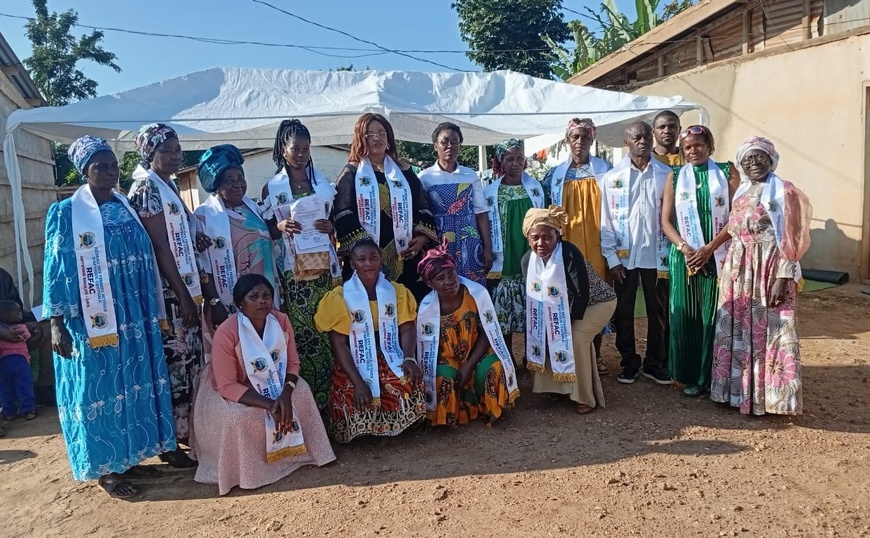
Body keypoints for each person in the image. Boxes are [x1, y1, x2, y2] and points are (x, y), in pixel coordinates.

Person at [44, 136, 176, 498]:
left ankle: (129, 457)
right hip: (90, 319)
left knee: (131, 385)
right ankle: (107, 471)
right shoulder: (67, 212)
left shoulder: (125, 206)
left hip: (133, 314)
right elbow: (55, 269)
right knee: (99, 390)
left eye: (113, 165)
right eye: (100, 165)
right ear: (83, 171)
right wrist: (56, 322)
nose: (109, 171)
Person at [192, 274, 335, 495]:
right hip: (232, 387)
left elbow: (293, 364)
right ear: (240, 303)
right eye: (254, 296)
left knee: (302, 392)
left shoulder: (282, 321)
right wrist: (271, 405)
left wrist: (285, 396)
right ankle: (249, 472)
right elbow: (227, 385)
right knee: (238, 417)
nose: (262, 301)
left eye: (267, 295)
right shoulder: (228, 332)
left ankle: (301, 455)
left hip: (277, 381)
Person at [128, 123, 215, 468]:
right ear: (150, 154)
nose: (175, 156)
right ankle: (167, 442)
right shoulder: (146, 188)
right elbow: (160, 247)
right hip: (169, 297)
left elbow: (178, 235)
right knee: (172, 369)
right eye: (167, 151)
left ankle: (186, 434)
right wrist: (181, 297)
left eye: (178, 150)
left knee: (188, 366)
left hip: (184, 291)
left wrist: (197, 238)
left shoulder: (169, 185)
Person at [711, 137, 812, 415]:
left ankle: (772, 399)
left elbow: (793, 236)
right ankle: (739, 394)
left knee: (773, 331)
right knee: (739, 329)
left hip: (770, 268)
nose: (754, 163)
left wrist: (784, 275)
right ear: (741, 164)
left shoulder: (784, 192)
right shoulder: (742, 192)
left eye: (759, 157)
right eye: (748, 159)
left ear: (771, 159)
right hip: (739, 270)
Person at [262, 119, 341, 412]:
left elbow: (334, 224)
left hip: (324, 269)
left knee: (330, 327)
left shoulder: (322, 184)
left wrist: (329, 225)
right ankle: (310, 407)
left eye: (306, 149)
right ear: (283, 149)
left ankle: (334, 403)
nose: (301, 154)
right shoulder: (272, 188)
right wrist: (280, 224)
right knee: (303, 333)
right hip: (295, 273)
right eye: (296, 148)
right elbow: (268, 230)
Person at [314, 239, 425, 443]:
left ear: (381, 259)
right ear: (352, 263)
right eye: (361, 259)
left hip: (388, 351)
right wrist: (357, 382)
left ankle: (396, 428)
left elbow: (407, 327)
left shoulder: (397, 291)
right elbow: (338, 343)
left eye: (373, 257)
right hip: (356, 355)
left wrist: (409, 357)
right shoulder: (340, 297)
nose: (368, 263)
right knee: (355, 390)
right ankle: (364, 432)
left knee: (405, 378)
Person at [661, 125, 740, 396]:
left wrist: (710, 248)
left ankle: (712, 376)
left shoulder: (727, 173)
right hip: (686, 258)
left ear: (709, 146)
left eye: (698, 145)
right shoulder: (674, 176)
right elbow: (665, 221)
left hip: (717, 255)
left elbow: (736, 217)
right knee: (687, 317)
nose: (693, 151)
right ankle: (687, 374)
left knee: (714, 315)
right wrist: (684, 248)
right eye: (687, 147)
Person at [332, 113, 438, 301]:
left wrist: (421, 237)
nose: (376, 138)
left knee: (407, 304)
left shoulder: (403, 170)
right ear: (360, 138)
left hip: (405, 255)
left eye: (381, 133)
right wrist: (366, 246)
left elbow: (423, 206)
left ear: (388, 137)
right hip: (367, 257)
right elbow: (342, 213)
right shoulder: (352, 172)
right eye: (370, 134)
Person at [520, 206, 615, 414]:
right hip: (559, 307)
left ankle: (584, 396)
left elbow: (581, 294)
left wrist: (562, 326)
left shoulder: (570, 254)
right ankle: (558, 388)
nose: (541, 243)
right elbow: (534, 299)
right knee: (545, 334)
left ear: (558, 236)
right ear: (528, 237)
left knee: (574, 338)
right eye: (535, 237)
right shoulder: (528, 261)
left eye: (548, 237)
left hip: (596, 303)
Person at [600, 121, 673, 386]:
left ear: (652, 138)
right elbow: (606, 221)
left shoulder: (666, 175)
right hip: (624, 259)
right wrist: (611, 259)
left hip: (657, 256)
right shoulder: (611, 178)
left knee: (658, 312)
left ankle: (655, 363)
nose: (642, 141)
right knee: (624, 312)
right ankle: (629, 362)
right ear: (626, 142)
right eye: (636, 137)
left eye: (645, 136)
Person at [415, 240, 519, 426]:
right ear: (429, 283)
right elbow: (428, 351)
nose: (449, 281)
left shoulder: (475, 295)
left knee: (495, 366)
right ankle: (446, 418)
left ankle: (494, 409)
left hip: (476, 353)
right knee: (441, 377)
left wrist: (469, 365)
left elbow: (488, 333)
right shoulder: (426, 309)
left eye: (451, 274)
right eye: (440, 278)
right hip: (448, 358)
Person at [542, 118, 612, 374]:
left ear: (592, 140)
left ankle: (595, 355)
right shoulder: (554, 175)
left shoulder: (607, 170)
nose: (580, 141)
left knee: (594, 296)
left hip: (597, 244)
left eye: (585, 137)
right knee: (567, 296)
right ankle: (567, 354)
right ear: (567, 140)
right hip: (567, 245)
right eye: (575, 137)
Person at [194, 144, 281, 332]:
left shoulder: (255, 209)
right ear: (216, 184)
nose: (238, 184)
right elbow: (203, 266)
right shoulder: (203, 216)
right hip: (229, 299)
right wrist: (214, 301)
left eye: (240, 178)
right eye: (229, 180)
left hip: (265, 295)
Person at [484, 139, 545, 357]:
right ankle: (507, 357)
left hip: (528, 252)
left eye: (520, 158)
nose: (515, 163)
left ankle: (531, 357)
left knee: (532, 308)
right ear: (501, 161)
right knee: (504, 312)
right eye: (510, 158)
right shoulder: (491, 191)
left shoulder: (535, 188)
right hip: (505, 254)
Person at [418, 122, 492, 284]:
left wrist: (487, 247)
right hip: (439, 242)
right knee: (443, 285)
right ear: (435, 145)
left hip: (470, 241)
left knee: (472, 286)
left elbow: (481, 212)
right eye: (444, 142)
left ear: (460, 145)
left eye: (455, 141)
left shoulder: (470, 175)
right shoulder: (424, 178)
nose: (449, 146)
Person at [0, 300, 36, 421]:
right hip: (20, 361)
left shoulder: (2, 331)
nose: (21, 314)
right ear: (8, 316)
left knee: (6, 388)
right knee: (24, 385)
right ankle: (28, 409)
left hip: (3, 362)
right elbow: (27, 337)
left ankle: (9, 411)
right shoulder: (21, 328)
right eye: (18, 313)